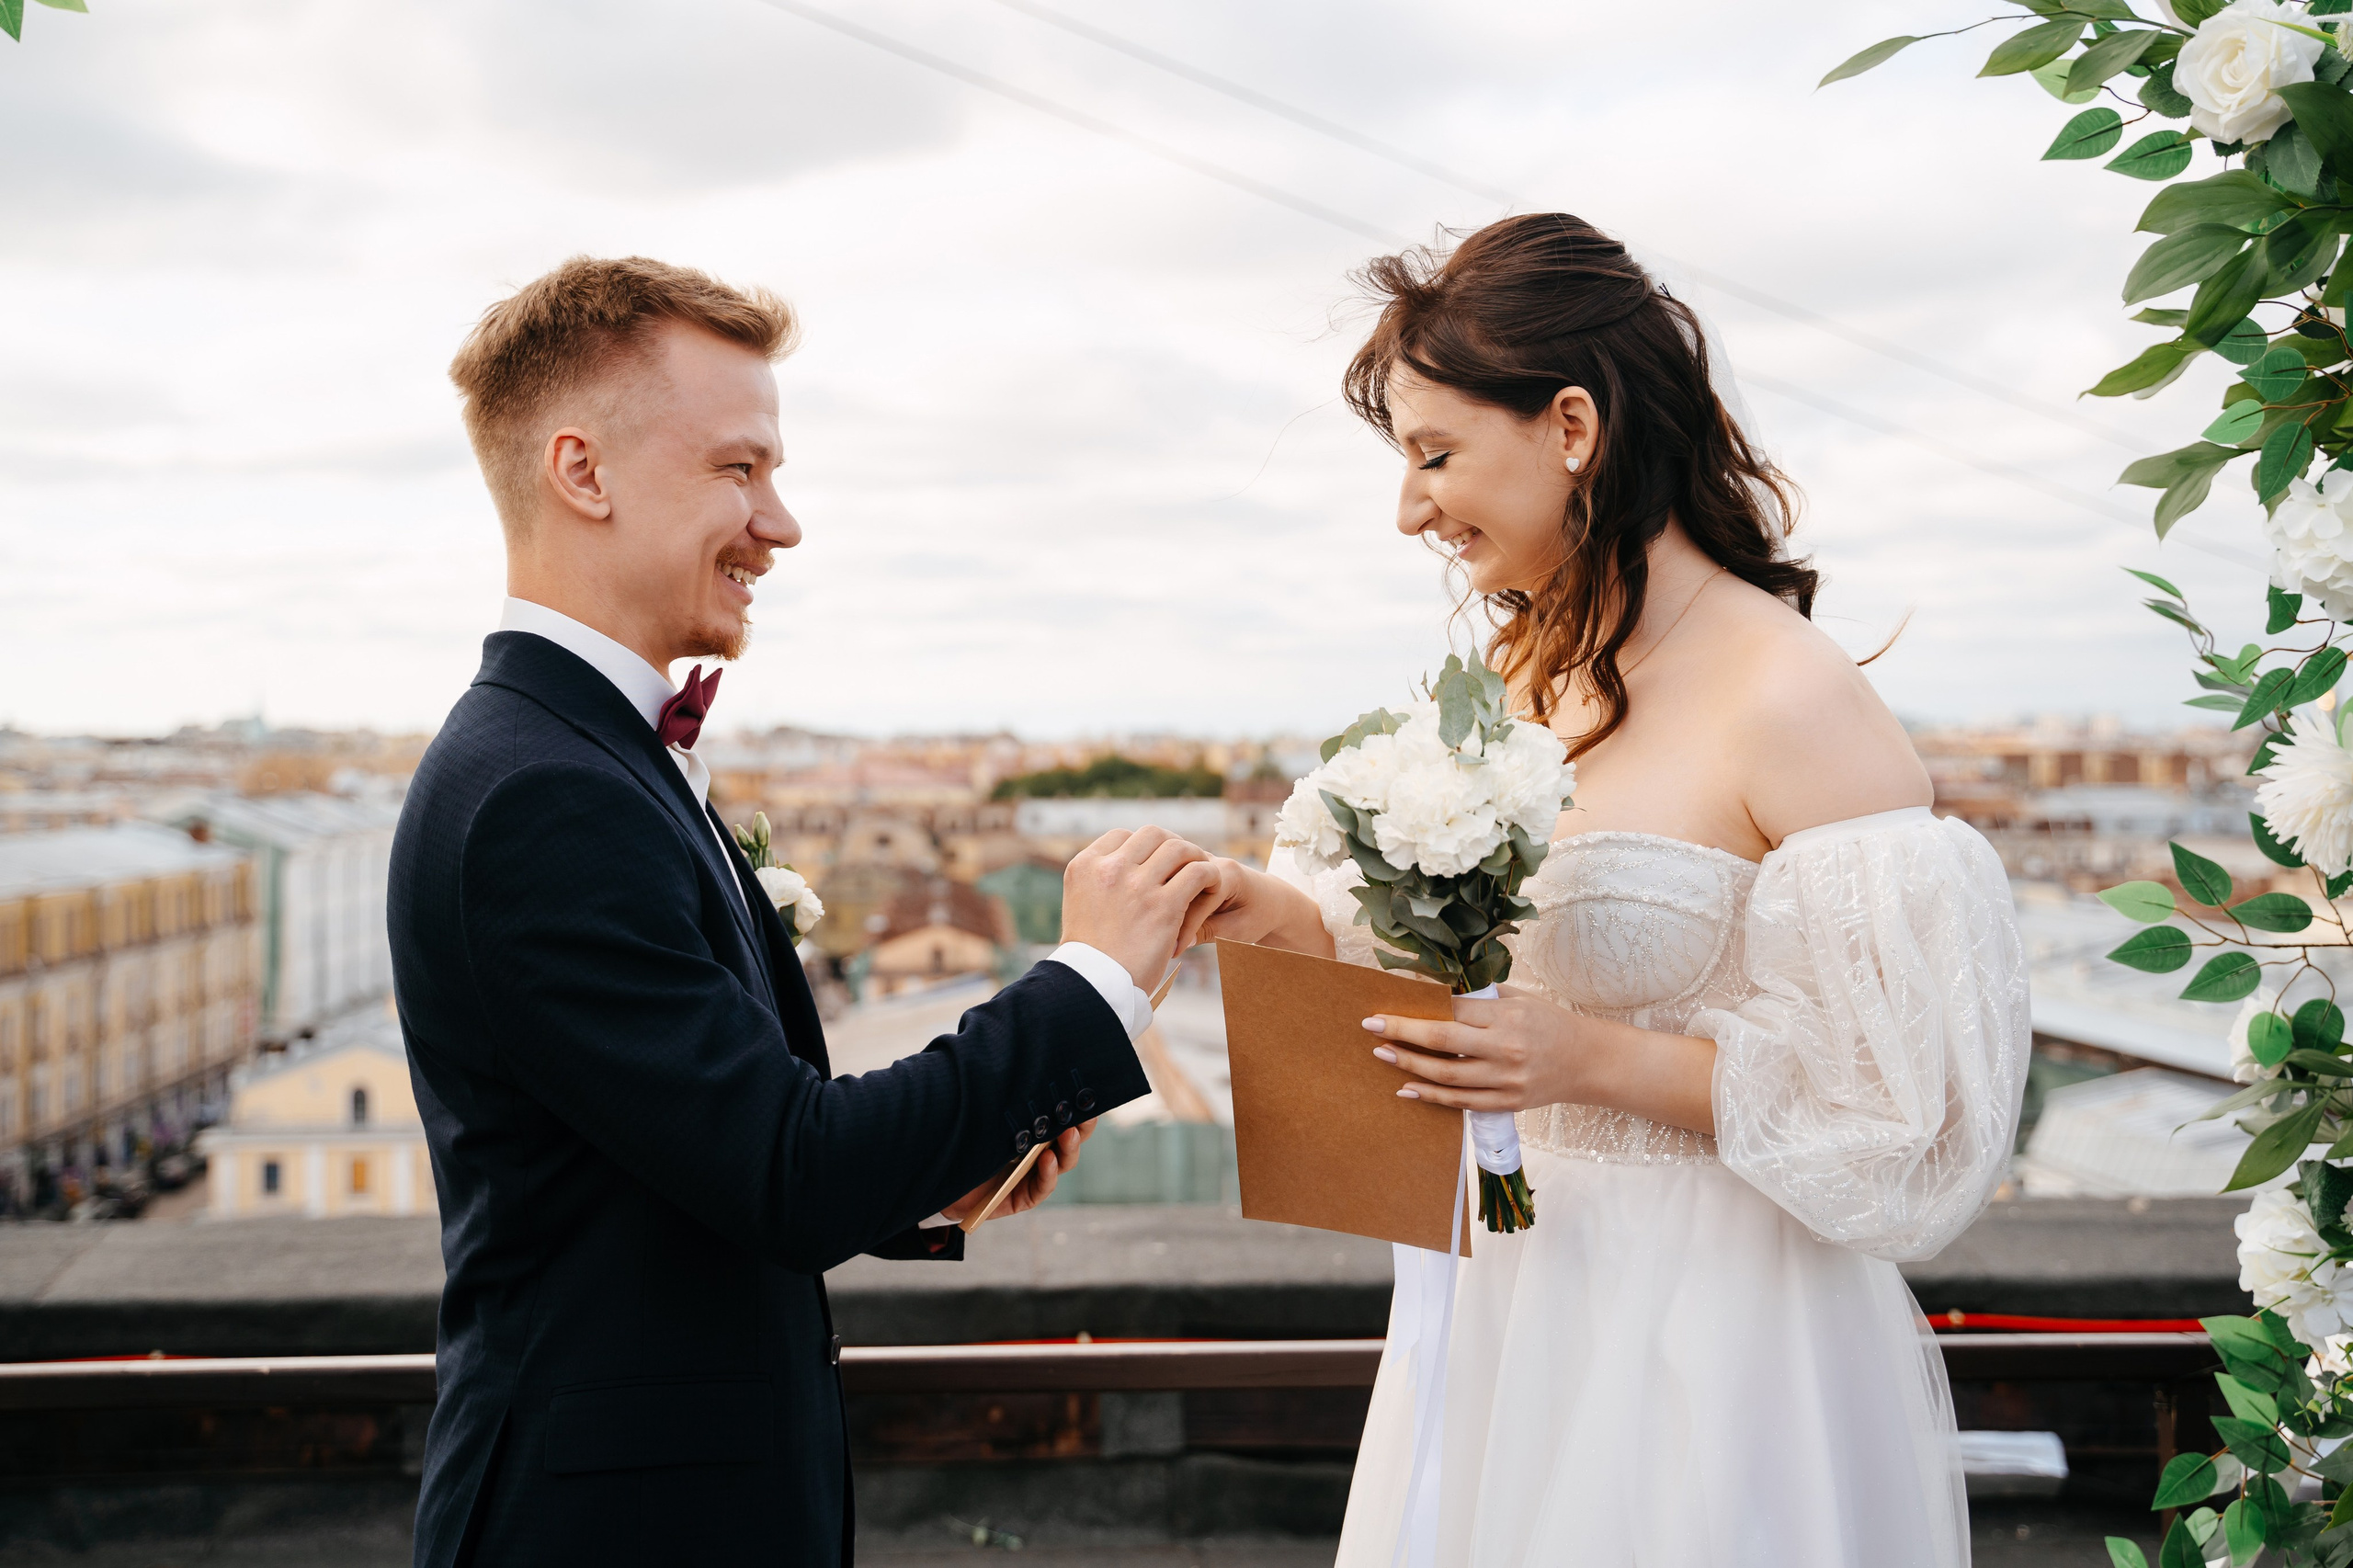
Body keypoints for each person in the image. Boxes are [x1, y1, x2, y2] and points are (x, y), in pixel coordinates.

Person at [1196, 213, 2028, 1565]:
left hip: (1715, 1327)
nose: (1410, 509)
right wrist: (1266, 915)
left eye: (1434, 454)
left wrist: (1592, 1061)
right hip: (1510, 1306)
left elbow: (1909, 1120)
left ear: (1572, 426)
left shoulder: (1791, 696)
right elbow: (1438, 962)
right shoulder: (1517, 675)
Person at [388, 256, 1222, 1567]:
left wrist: (935, 1185)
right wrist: (1094, 980)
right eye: (740, 469)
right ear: (582, 472)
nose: (780, 525)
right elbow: (791, 1169)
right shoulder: (544, 791)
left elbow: (699, 1147)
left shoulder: (575, 754)